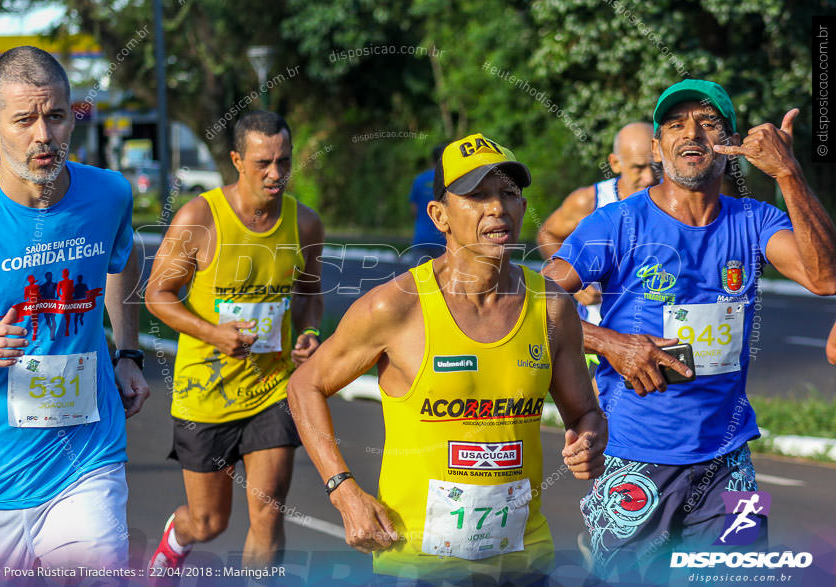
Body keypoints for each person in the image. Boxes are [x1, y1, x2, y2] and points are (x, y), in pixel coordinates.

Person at [543, 79, 836, 580]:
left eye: (707, 122)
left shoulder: (755, 219)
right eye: (675, 124)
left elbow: (824, 275)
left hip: (729, 459)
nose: (691, 133)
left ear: (731, 143)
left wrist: (787, 172)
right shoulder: (618, 222)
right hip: (634, 459)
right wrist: (610, 342)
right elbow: (532, 303)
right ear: (657, 148)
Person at [287, 133, 607, 583]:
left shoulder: (551, 306)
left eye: (509, 194)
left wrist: (590, 442)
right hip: (416, 562)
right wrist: (344, 491)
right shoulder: (395, 307)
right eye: (477, 195)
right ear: (439, 215)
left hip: (524, 557)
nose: (497, 209)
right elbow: (305, 384)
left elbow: (586, 413)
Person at [0, 45, 149, 576]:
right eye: (25, 120)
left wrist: (128, 351)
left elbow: (121, 254)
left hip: (86, 457)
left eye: (56, 116)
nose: (43, 135)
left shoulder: (108, 193)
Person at [145, 110, 324, 570]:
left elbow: (309, 294)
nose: (276, 173)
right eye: (263, 162)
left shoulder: (304, 224)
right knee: (209, 522)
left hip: (270, 389)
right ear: (237, 161)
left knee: (268, 511)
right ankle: (173, 545)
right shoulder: (199, 218)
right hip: (205, 393)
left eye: (283, 161)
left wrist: (308, 333)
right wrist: (213, 334)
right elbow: (156, 295)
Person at [537, 122, 655, 327]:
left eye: (656, 166)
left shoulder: (676, 200)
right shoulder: (589, 201)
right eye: (638, 168)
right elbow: (547, 234)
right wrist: (577, 283)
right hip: (599, 334)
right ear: (615, 163)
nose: (649, 178)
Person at [408, 143, 448, 263]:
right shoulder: (449, 180)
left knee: (420, 279)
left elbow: (413, 210)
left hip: (421, 238)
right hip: (444, 240)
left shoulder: (419, 180)